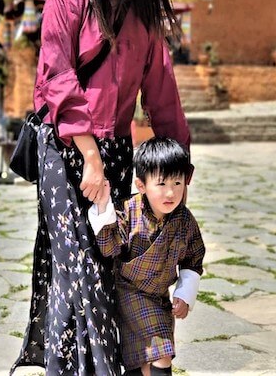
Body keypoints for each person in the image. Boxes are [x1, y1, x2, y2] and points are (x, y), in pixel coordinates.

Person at [11, 0, 191, 376]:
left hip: (115, 154)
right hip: (65, 148)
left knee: (106, 269)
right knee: (80, 266)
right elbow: (57, 77)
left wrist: (177, 173)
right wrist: (88, 156)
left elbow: (163, 97)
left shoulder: (146, 15)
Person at [88, 137, 205, 376]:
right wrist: (103, 208)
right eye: (161, 184)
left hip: (160, 297)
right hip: (131, 293)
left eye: (177, 182)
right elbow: (109, 248)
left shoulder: (184, 220)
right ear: (141, 185)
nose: (171, 192)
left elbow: (193, 259)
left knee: (143, 362)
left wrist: (184, 294)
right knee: (162, 352)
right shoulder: (130, 210)